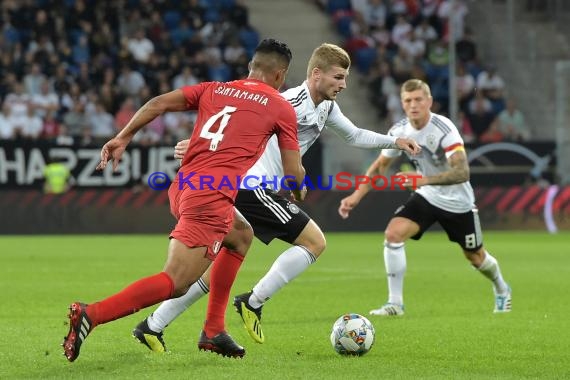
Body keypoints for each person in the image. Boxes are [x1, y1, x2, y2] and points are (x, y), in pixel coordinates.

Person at [132, 43, 421, 352]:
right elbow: (243, 120)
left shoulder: (326, 107)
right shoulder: (288, 101)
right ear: (316, 74)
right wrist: (198, 142)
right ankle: (253, 302)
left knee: (214, 266)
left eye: (345, 78)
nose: (343, 85)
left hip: (252, 188)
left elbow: (353, 135)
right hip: (250, 186)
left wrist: (396, 141)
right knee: (314, 242)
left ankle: (153, 325)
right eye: (338, 77)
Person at [62, 38, 306, 362]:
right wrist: (299, 186)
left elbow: (157, 103)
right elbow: (292, 173)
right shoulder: (280, 106)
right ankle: (92, 314)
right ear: (280, 75)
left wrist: (123, 137)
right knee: (175, 282)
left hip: (185, 184)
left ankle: (214, 331)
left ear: (251, 67)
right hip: (209, 199)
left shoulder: (214, 89)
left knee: (241, 235)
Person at [338, 79, 512, 317]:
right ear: (402, 103)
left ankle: (502, 288)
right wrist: (355, 196)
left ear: (429, 101)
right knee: (393, 234)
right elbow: (379, 167)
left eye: (419, 99)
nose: (413, 105)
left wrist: (423, 180)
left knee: (476, 257)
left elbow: (462, 172)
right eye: (408, 100)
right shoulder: (399, 131)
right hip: (427, 197)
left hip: (458, 202)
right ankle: (395, 304)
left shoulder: (444, 129)